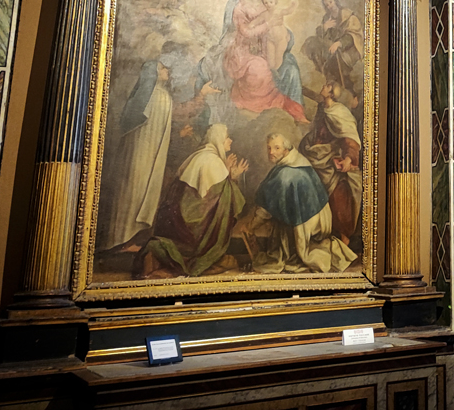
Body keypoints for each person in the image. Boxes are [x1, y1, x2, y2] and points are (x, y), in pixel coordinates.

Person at [143, 124, 248, 277]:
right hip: (191, 228)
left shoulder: (198, 156)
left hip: (175, 223)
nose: (230, 141)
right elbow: (221, 203)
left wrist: (227, 175)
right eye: (227, 138)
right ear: (218, 140)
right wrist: (233, 177)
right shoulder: (213, 161)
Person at [252, 133, 357, 273]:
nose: (271, 152)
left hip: (309, 223)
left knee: (288, 251)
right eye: (269, 148)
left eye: (276, 148)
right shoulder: (298, 160)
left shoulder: (285, 174)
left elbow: (266, 209)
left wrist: (251, 226)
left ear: (285, 150)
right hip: (319, 218)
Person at [100, 58, 174, 252]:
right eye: (162, 67)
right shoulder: (159, 96)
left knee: (131, 193)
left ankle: (122, 239)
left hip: (138, 155)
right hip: (144, 157)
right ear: (154, 74)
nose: (167, 70)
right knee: (135, 192)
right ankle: (125, 241)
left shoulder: (152, 96)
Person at [221, 0, 307, 121]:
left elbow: (280, 21)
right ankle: (262, 108)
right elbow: (246, 32)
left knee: (291, 67)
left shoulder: (266, 2)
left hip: (267, 45)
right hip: (245, 48)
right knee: (259, 69)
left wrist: (285, 33)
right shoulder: (240, 7)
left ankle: (296, 110)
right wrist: (268, 25)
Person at [298, 81, 362, 245]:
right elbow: (311, 94)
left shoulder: (339, 111)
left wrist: (349, 157)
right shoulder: (322, 107)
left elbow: (350, 138)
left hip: (329, 158)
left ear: (331, 93)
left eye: (326, 86)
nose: (323, 86)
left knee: (338, 196)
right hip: (314, 154)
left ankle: (344, 238)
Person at [302, 0, 363, 97]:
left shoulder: (348, 16)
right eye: (326, 5)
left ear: (335, 1)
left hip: (348, 50)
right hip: (332, 48)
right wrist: (324, 27)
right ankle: (329, 85)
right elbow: (323, 37)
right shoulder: (327, 18)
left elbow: (353, 35)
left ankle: (347, 92)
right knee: (312, 42)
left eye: (330, 2)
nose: (329, 6)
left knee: (334, 61)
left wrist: (339, 43)